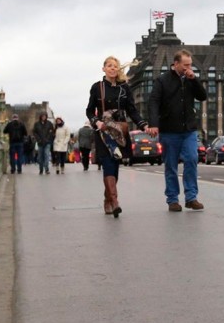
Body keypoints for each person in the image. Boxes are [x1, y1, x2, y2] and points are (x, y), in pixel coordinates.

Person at [87, 56, 154, 217]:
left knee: (115, 167)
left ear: (118, 69)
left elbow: (132, 110)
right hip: (103, 131)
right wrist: (97, 123)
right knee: (108, 163)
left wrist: (143, 125)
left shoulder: (124, 88)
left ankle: (107, 198)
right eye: (109, 66)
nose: (112, 68)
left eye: (115, 66)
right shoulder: (98, 87)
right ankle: (115, 201)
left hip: (120, 131)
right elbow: (89, 111)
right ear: (103, 68)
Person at [148, 49, 208, 212]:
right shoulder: (162, 80)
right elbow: (153, 102)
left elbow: (203, 96)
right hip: (169, 130)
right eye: (185, 65)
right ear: (176, 64)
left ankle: (191, 197)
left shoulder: (190, 79)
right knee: (171, 166)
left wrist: (194, 80)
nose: (188, 68)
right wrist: (154, 123)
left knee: (191, 159)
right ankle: (173, 199)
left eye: (190, 65)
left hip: (188, 129)